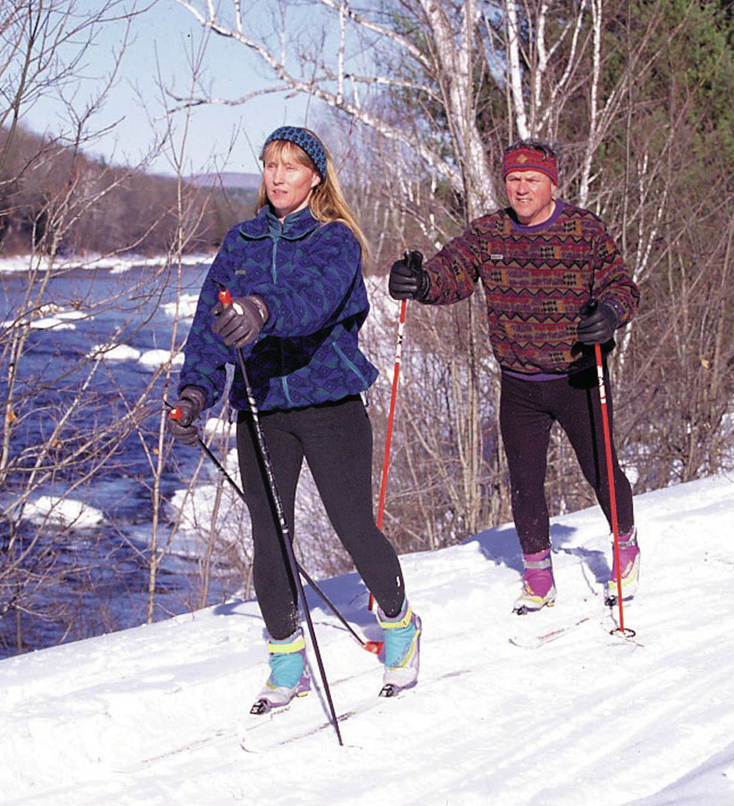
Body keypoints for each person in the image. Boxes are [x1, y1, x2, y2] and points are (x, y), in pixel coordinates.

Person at [168, 126, 421, 713]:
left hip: (330, 403)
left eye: (291, 166)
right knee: (269, 540)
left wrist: (261, 310)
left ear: (316, 176)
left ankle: (401, 625)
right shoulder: (242, 242)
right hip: (262, 409)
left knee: (354, 526)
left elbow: (311, 303)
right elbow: (212, 322)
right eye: (269, 165)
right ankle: (286, 663)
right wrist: (195, 393)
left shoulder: (335, 241)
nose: (278, 176)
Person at [387, 139, 641, 613]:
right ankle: (538, 575)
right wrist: (417, 282)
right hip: (520, 382)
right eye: (513, 180)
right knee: (525, 483)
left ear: (552, 184)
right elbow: (451, 274)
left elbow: (622, 286)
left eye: (532, 179)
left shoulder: (583, 230)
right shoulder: (489, 233)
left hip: (580, 376)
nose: (521, 189)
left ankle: (624, 545)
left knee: (602, 472)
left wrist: (608, 313)